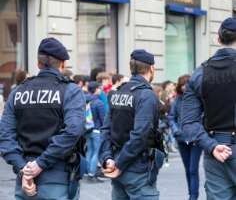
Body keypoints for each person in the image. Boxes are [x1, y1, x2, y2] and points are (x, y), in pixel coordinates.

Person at [0, 37, 86, 200]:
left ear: (38, 64)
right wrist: (40, 164)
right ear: (63, 64)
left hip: (25, 181)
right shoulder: (70, 90)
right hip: (57, 179)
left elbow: (5, 136)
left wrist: (23, 168)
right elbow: (73, 131)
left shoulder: (18, 92)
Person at [181, 17, 236, 200]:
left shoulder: (200, 73)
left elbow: (188, 123)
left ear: (218, 39)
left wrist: (211, 146)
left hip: (217, 149)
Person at [99, 49, 162, 200]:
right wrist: (119, 164)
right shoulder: (146, 94)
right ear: (151, 68)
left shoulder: (117, 92)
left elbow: (106, 129)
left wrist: (108, 158)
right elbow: (140, 134)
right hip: (137, 167)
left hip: (117, 163)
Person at [168, 75, 202, 200]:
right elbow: (171, 117)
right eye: (183, 84)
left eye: (187, 84)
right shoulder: (178, 100)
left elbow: (203, 116)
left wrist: (198, 131)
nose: (185, 87)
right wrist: (176, 130)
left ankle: (193, 196)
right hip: (181, 139)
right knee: (188, 169)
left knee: (193, 169)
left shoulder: (199, 98)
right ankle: (191, 193)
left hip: (196, 139)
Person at [85, 81, 105, 182]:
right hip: (97, 130)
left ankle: (88, 172)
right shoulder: (99, 102)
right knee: (96, 153)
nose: (101, 90)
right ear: (96, 89)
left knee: (89, 151)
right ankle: (92, 174)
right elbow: (103, 119)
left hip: (87, 129)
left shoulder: (84, 100)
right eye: (100, 88)